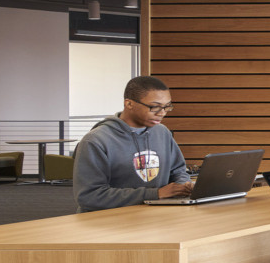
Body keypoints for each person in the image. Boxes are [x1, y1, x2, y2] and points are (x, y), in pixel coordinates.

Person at [73, 76, 193, 212]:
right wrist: (155, 194)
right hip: (108, 222)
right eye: (154, 107)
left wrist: (183, 186)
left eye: (167, 107)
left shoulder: (162, 132)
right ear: (129, 104)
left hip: (154, 217)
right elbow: (89, 196)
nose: (162, 113)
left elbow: (178, 171)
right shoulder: (96, 140)